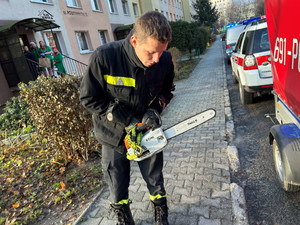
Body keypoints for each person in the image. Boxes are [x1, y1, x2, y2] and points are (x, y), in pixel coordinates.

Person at [80, 11, 174, 225]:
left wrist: (155, 110)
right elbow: (89, 98)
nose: (156, 59)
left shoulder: (164, 60)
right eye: (151, 53)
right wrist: (127, 119)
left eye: (161, 52)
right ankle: (123, 216)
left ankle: (161, 213)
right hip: (112, 134)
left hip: (146, 131)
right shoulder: (105, 57)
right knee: (117, 182)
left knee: (155, 178)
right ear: (134, 41)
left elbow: (166, 92)